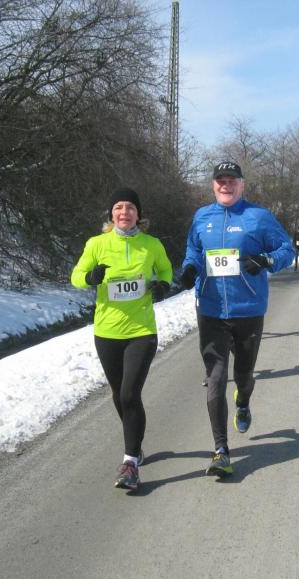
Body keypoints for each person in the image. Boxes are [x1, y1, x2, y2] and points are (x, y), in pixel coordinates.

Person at [178, 161, 294, 477]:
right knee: (215, 377)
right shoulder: (202, 217)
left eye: (231, 180)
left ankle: (242, 401)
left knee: (243, 375)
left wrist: (266, 260)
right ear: (213, 185)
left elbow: (286, 250)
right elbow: (193, 251)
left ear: (242, 185)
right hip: (211, 309)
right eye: (220, 180)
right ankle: (221, 451)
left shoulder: (259, 217)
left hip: (248, 309)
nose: (225, 185)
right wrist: (189, 269)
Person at [71, 188, 173, 492]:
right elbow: (76, 276)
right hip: (107, 332)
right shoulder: (97, 244)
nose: (124, 212)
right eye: (118, 207)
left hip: (141, 331)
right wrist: (90, 278)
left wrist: (163, 284)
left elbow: (166, 269)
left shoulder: (151, 245)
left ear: (138, 215)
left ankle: (130, 462)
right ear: (111, 214)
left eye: (130, 207)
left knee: (129, 393)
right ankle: (136, 446)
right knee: (119, 394)